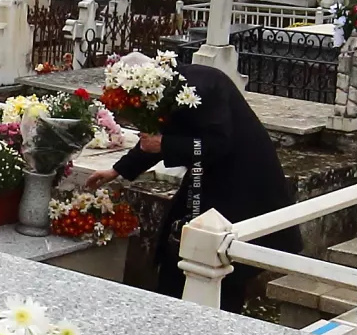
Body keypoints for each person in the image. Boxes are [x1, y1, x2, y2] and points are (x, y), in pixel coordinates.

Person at [110, 44, 294, 314]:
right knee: (179, 243)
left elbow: (218, 143)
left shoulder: (203, 86)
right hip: (208, 177)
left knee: (223, 258)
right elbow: (157, 139)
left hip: (242, 184)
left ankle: (214, 319)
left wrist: (165, 145)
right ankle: (173, 311)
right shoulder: (165, 92)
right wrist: (116, 170)